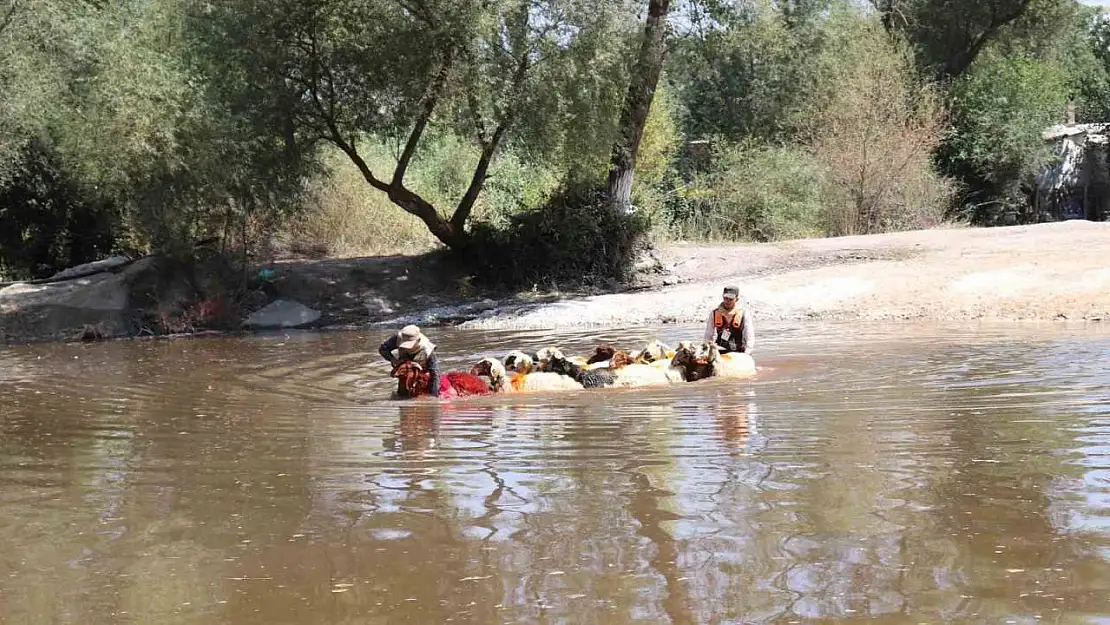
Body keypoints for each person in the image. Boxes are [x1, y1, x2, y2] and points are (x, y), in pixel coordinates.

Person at [379, 325, 441, 397]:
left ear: (418, 341)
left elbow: (435, 374)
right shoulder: (398, 338)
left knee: (424, 386)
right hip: (405, 367)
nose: (406, 348)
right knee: (401, 393)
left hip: (422, 366)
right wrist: (393, 360)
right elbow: (383, 349)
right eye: (404, 344)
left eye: (409, 345)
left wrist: (434, 397)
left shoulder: (428, 350)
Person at [704, 285, 754, 354]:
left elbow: (749, 336)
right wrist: (707, 350)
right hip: (719, 352)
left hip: (739, 352)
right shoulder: (714, 313)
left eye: (731, 299)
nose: (727, 301)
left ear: (736, 299)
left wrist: (747, 352)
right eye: (726, 298)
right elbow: (708, 335)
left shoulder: (744, 314)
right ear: (723, 297)